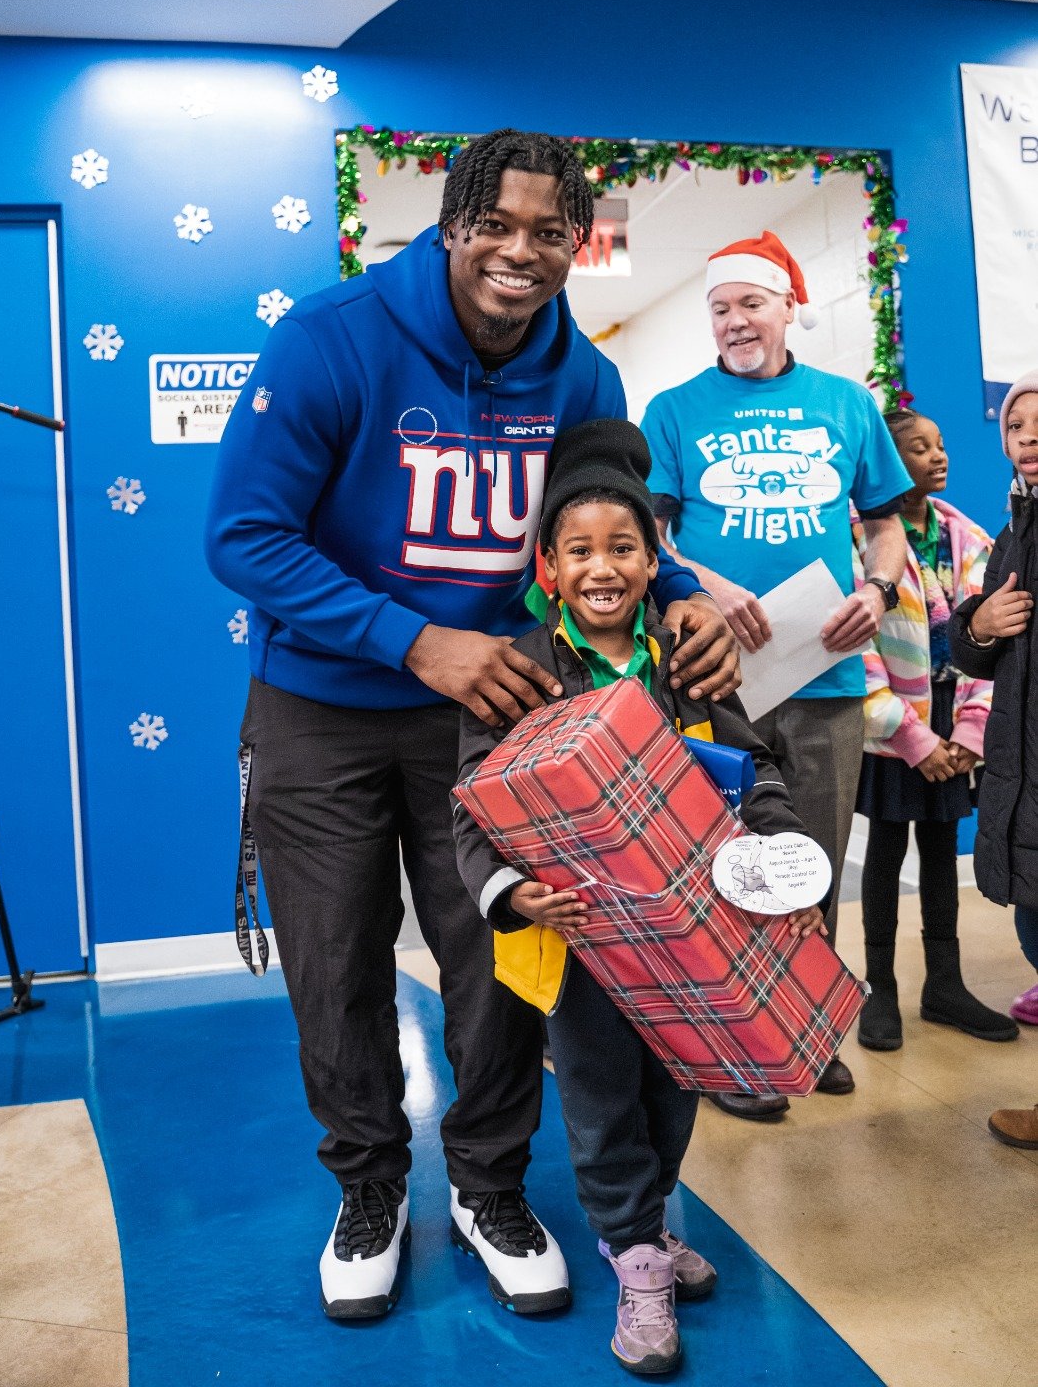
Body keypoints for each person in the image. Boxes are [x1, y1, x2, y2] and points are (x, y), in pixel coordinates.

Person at [204, 131, 740, 1321]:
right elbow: (241, 536)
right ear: (450, 222)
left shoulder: (583, 379)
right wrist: (412, 639)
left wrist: (683, 594)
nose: (518, 251)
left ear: (577, 244)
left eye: (549, 231)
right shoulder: (331, 338)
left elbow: (608, 517)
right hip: (321, 707)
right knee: (335, 965)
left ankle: (489, 1188)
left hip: (494, 715)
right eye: (494, 223)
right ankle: (369, 1189)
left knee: (506, 957)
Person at [454, 419, 825, 1375]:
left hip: (689, 939)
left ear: (655, 561)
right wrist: (515, 893)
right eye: (579, 551)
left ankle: (648, 1224)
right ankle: (636, 1258)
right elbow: (472, 811)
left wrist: (782, 856)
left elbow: (755, 769)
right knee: (600, 1101)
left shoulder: (687, 661)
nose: (603, 567)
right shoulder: (523, 670)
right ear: (549, 568)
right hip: (581, 944)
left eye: (623, 547)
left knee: (675, 1092)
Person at [641, 229, 911, 1119]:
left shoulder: (846, 404)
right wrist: (708, 587)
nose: (734, 322)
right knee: (724, 863)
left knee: (811, 865)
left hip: (826, 680)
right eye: (719, 308)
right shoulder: (675, 411)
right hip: (715, 680)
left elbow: (885, 524)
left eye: (751, 304)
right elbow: (652, 536)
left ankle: (807, 1032)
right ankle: (733, 1051)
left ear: (789, 308)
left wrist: (877, 589)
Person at [855, 408, 1017, 1049]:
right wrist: (912, 738)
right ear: (890, 465)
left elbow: (991, 637)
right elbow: (855, 650)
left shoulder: (966, 537)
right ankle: (879, 990)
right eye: (919, 448)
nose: (938, 455)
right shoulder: (860, 541)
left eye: (940, 443)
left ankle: (944, 985)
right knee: (886, 854)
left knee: (943, 853)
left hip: (953, 719)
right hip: (894, 723)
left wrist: (969, 733)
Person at [949, 372, 1038, 1150]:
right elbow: (973, 654)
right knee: (1036, 937)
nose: (1029, 438)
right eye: (1016, 427)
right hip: (1023, 769)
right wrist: (982, 622)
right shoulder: (1013, 530)